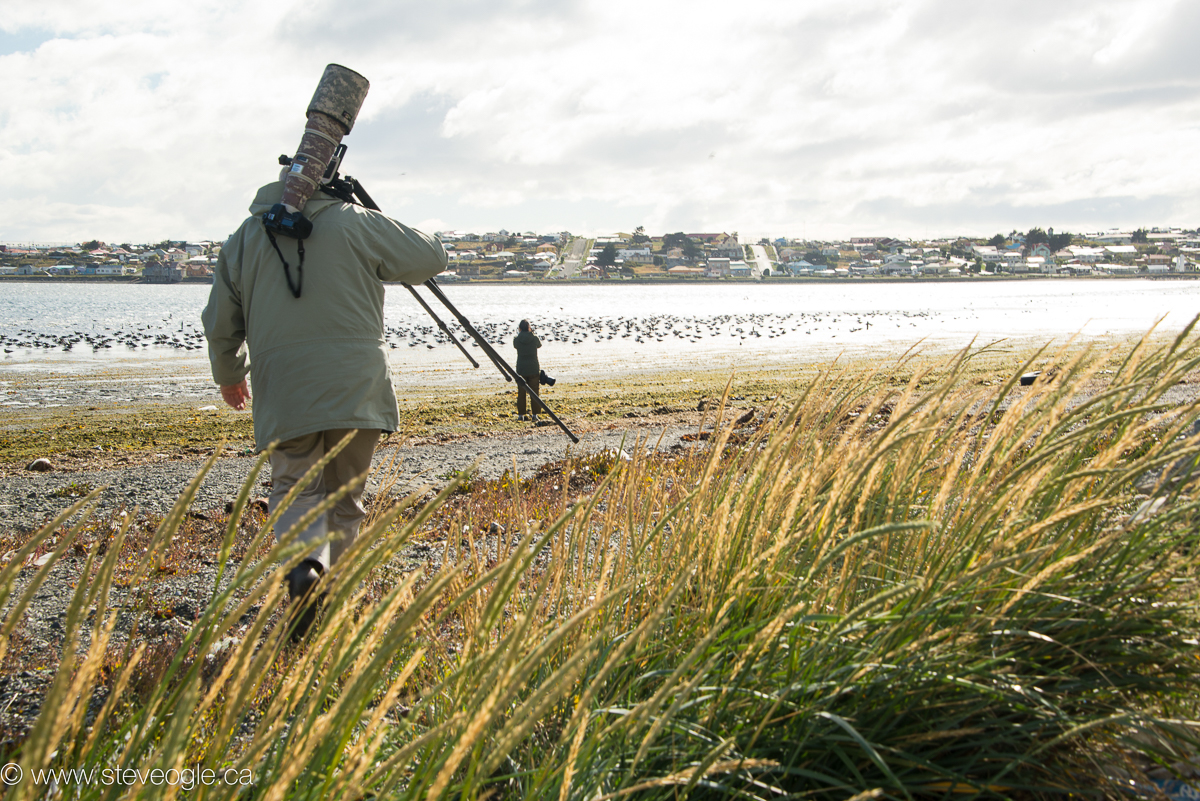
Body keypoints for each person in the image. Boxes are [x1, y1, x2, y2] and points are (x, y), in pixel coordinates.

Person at [202, 173, 446, 637]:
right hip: (356, 386)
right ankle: (331, 597)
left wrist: (229, 375)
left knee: (296, 486)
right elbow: (431, 257)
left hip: (284, 387)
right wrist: (366, 208)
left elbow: (220, 320)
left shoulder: (244, 237)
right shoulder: (355, 222)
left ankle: (305, 567)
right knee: (344, 496)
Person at [512, 319, 544, 423]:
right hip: (533, 367)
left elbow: (515, 345)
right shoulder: (534, 338)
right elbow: (539, 345)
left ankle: (521, 415)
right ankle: (535, 415)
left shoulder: (517, 339)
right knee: (534, 392)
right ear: (529, 327)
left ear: (520, 328)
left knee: (521, 393)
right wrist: (532, 333)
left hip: (521, 368)